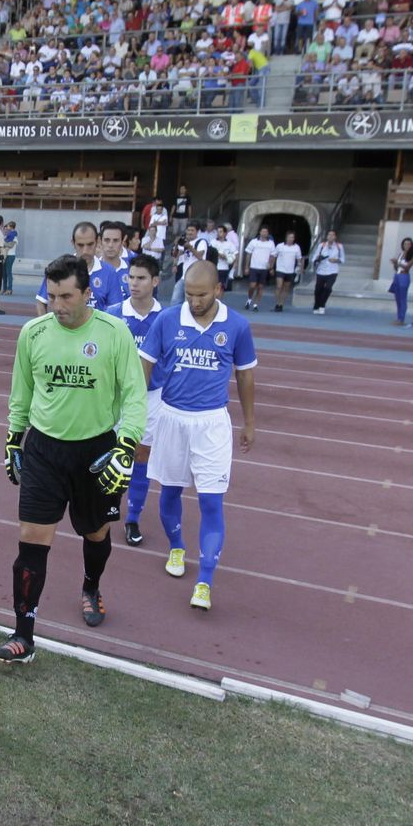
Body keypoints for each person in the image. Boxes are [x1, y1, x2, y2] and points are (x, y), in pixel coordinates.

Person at [0, 253, 147, 662]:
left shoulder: (115, 333)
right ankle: (23, 637)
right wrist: (14, 439)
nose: (58, 305)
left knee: (95, 533)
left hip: (96, 451)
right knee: (31, 540)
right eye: (52, 295)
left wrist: (126, 446)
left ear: (87, 293)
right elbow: (21, 393)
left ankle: (91, 586)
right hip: (44, 450)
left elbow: (135, 397)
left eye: (66, 296)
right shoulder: (33, 333)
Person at [141, 261, 257, 612]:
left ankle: (204, 581)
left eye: (202, 295)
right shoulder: (167, 320)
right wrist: (129, 412)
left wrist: (250, 422)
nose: (194, 302)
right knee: (169, 493)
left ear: (218, 290)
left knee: (211, 503)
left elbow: (246, 376)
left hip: (211, 424)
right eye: (189, 294)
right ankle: (176, 545)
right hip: (171, 418)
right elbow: (143, 367)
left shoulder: (237, 326)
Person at [105, 254, 164, 547]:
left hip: (153, 397)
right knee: (110, 451)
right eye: (131, 277)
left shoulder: (167, 318)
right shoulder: (113, 313)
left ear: (155, 281)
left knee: (141, 455)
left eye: (141, 278)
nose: (134, 283)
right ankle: (110, 502)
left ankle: (133, 517)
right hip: (115, 397)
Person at [35, 222, 102, 316]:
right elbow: (41, 302)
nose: (85, 250)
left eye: (90, 244)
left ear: (97, 241)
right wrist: (46, 328)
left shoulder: (110, 273)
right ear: (73, 243)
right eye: (80, 245)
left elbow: (115, 309)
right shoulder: (59, 268)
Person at [244, 226, 276, 310]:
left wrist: (271, 266)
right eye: (262, 231)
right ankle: (249, 299)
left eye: (266, 232)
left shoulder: (270, 243)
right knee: (252, 285)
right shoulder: (254, 242)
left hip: (264, 268)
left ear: (268, 233)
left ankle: (256, 304)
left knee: (261, 287)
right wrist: (246, 267)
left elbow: (273, 255)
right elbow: (248, 254)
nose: (264, 233)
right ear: (260, 232)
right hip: (254, 266)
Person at [311, 230, 344, 314]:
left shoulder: (339, 246)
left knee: (328, 288)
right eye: (329, 235)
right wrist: (317, 259)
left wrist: (337, 260)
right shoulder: (321, 245)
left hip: (333, 270)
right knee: (318, 289)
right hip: (321, 270)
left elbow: (343, 259)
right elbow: (314, 256)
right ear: (327, 236)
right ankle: (316, 304)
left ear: (335, 237)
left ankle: (322, 305)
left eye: (332, 235)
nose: (330, 236)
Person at [272, 230, 303, 312]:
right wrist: (271, 266)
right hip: (280, 269)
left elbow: (299, 259)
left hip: (290, 271)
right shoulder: (280, 246)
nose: (291, 239)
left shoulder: (296, 247)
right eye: (289, 237)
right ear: (286, 238)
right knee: (279, 286)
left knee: (286, 288)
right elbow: (274, 256)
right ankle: (277, 303)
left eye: (292, 237)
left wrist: (300, 268)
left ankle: (281, 304)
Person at [389, 237, 413, 326]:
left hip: (404, 276)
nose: (406, 245)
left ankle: (402, 319)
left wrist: (398, 262)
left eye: (408, 244)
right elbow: (397, 267)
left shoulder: (412, 255)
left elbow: (408, 267)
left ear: (411, 245)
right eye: (405, 244)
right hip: (397, 275)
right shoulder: (401, 254)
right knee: (397, 298)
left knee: (402, 298)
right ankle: (398, 317)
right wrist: (395, 264)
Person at [1, 220, 19, 295]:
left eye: (8, 227)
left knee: (8, 272)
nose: (6, 229)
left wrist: (3, 243)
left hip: (11, 256)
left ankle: (10, 289)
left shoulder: (14, 237)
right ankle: (4, 288)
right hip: (4, 255)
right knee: (3, 273)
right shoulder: (6, 237)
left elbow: (10, 245)